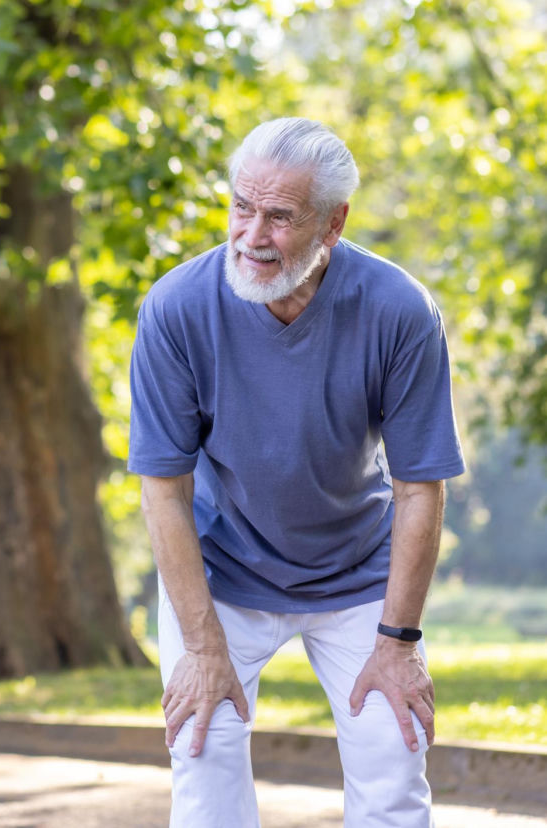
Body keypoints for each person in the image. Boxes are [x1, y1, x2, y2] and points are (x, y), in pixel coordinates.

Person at [128, 117, 465, 827]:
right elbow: (164, 489)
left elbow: (419, 488)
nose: (251, 236)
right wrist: (202, 648)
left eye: (279, 217)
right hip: (222, 573)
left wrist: (398, 643)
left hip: (358, 574)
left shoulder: (399, 310)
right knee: (204, 757)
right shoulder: (177, 308)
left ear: (333, 223)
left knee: (394, 757)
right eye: (241, 207)